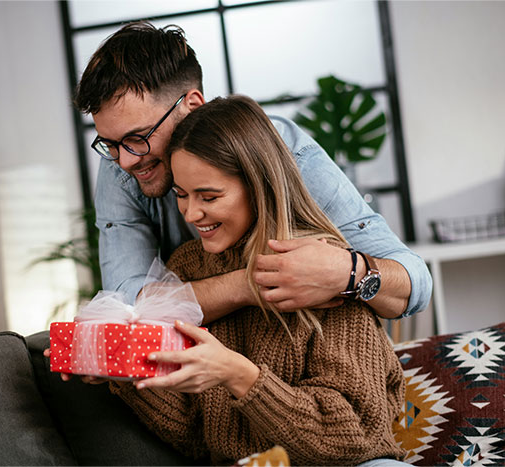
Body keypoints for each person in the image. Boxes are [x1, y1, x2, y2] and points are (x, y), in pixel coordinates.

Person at [107, 94, 407, 466]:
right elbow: (197, 437)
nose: (191, 213)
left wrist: (240, 375)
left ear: (257, 184)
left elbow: (356, 437)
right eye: (181, 195)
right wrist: (117, 367)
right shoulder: (188, 267)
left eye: (209, 196)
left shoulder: (321, 266)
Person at [75, 22, 432, 324]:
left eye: (139, 137)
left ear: (193, 105)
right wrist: (252, 286)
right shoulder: (122, 166)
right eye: (109, 144)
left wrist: (347, 272)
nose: (124, 161)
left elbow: (413, 281)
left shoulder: (285, 152)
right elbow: (127, 307)